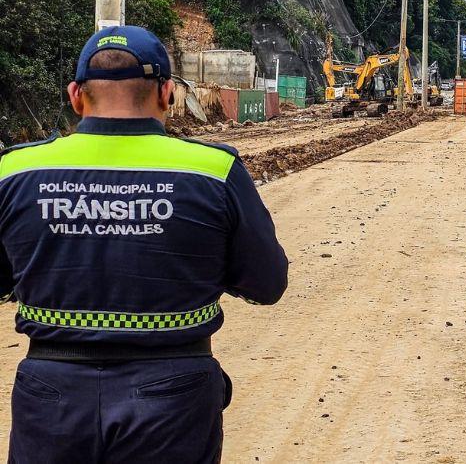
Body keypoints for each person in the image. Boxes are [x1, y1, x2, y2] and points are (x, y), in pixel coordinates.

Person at [0, 26, 289, 462]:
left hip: (52, 394)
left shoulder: (15, 171)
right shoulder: (214, 170)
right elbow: (267, 284)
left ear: (75, 95)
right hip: (174, 394)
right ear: (167, 94)